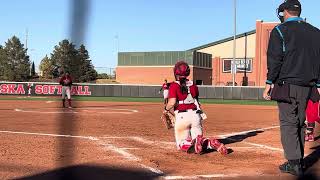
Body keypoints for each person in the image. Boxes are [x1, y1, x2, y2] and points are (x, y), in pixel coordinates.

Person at [263, 0, 320, 176]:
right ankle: (298, 159)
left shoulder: (280, 30)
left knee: (288, 122)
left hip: (286, 84)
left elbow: (275, 59)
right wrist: (318, 84)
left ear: (284, 12)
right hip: (308, 85)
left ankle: (294, 163)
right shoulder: (316, 32)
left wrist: (269, 83)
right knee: (300, 122)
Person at [164, 61, 228, 155]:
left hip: (182, 116)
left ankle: (195, 144)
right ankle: (210, 143)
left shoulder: (174, 85)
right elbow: (195, 99)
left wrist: (165, 109)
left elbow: (172, 102)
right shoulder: (193, 85)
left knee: (181, 144)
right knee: (199, 142)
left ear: (175, 73)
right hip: (195, 115)